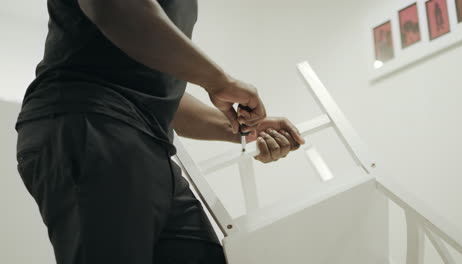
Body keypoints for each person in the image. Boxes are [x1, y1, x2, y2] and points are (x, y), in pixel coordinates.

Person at [15, 0, 305, 263]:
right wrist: (218, 80)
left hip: (145, 142)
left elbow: (162, 95)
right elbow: (115, 8)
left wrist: (241, 130)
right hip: (92, 123)